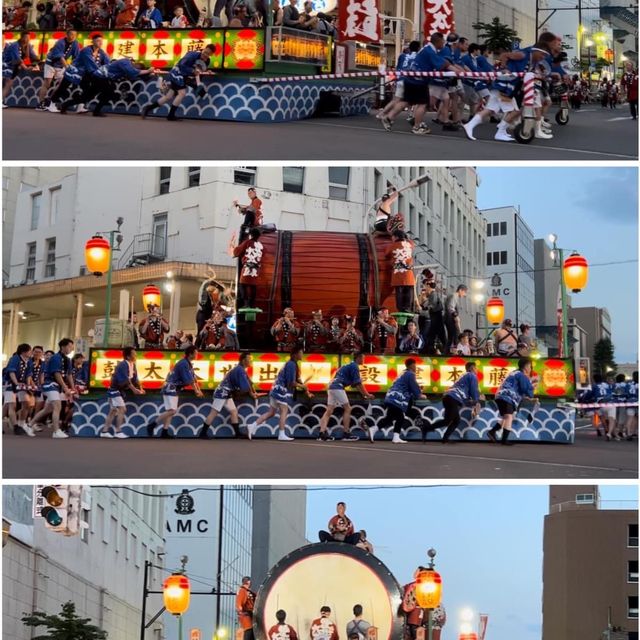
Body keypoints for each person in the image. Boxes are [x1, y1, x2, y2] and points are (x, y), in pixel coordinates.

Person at [248, 347, 310, 441]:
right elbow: (291, 383)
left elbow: (297, 380)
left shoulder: (292, 364)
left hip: (276, 389)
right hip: (280, 391)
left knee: (271, 413)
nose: (302, 354)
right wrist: (303, 387)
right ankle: (281, 434)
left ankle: (252, 425)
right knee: (284, 410)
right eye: (301, 352)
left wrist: (306, 390)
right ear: (295, 354)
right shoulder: (291, 365)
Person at [141, 44, 215, 121]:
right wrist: (192, 71)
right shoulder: (192, 55)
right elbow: (181, 64)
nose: (205, 55)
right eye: (205, 52)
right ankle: (171, 115)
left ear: (211, 55)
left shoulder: (207, 61)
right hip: (177, 73)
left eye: (208, 54)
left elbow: (199, 69)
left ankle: (148, 108)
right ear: (203, 49)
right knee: (182, 93)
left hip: (184, 77)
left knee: (168, 96)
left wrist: (206, 71)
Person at [146, 346, 204, 437]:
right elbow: (189, 380)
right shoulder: (184, 364)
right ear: (190, 354)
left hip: (171, 388)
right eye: (196, 353)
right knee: (172, 411)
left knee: (170, 411)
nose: (197, 355)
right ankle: (152, 425)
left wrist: (198, 390)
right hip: (171, 388)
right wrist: (197, 391)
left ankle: (164, 432)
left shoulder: (187, 363)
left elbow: (193, 378)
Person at [199, 351, 257, 439]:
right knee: (214, 413)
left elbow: (249, 383)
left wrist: (253, 392)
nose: (250, 361)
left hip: (225, 392)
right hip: (222, 393)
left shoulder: (240, 369)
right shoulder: (240, 370)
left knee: (233, 411)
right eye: (249, 359)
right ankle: (202, 433)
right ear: (243, 360)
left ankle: (237, 434)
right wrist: (252, 394)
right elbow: (245, 387)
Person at [317, 352, 373, 442]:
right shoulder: (355, 366)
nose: (364, 360)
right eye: (363, 358)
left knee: (329, 410)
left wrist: (364, 393)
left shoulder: (347, 365)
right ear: (358, 358)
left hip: (331, 386)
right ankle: (346, 433)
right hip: (338, 386)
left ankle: (321, 433)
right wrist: (367, 394)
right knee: (348, 408)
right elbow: (358, 384)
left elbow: (355, 384)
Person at [369, 358, 425, 444]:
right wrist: (420, 395)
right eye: (415, 365)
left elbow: (408, 388)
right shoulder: (410, 374)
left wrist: (418, 392)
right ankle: (393, 436)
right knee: (400, 417)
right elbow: (414, 388)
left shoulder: (403, 373)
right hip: (396, 399)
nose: (416, 367)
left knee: (389, 418)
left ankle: (377, 430)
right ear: (412, 365)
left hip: (391, 396)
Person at [28, 338, 75, 439]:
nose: (72, 348)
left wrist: (73, 388)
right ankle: (56, 431)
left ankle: (29, 425)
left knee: (47, 409)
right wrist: (66, 388)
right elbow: (56, 374)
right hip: (50, 384)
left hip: (56, 386)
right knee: (57, 406)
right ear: (63, 346)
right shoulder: (56, 358)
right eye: (70, 346)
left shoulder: (68, 359)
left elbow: (69, 374)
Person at [423, 361, 481, 443]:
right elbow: (474, 391)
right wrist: (476, 400)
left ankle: (444, 438)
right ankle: (426, 429)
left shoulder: (463, 376)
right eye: (476, 368)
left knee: (455, 420)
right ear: (472, 368)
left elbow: (465, 399)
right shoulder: (472, 376)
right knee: (448, 420)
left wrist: (472, 403)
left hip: (448, 397)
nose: (477, 370)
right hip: (452, 398)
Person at [487, 357, 538, 446]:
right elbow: (525, 389)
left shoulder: (515, 373)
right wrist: (532, 388)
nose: (531, 368)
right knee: (509, 417)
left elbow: (522, 390)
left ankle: (492, 431)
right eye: (530, 366)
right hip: (507, 397)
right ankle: (504, 440)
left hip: (501, 396)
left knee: (509, 416)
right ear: (526, 366)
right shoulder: (521, 375)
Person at [100, 346, 145, 438]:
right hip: (114, 390)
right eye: (134, 353)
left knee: (113, 410)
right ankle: (118, 431)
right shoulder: (123, 365)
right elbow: (125, 379)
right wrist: (134, 389)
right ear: (128, 356)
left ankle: (104, 432)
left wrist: (140, 388)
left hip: (118, 391)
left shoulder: (132, 364)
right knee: (122, 409)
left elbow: (136, 379)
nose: (136, 355)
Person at [36, 29, 80, 110]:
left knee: (62, 83)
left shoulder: (75, 43)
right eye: (71, 34)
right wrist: (68, 68)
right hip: (51, 64)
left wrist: (76, 67)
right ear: (66, 34)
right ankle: (40, 103)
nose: (73, 36)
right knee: (47, 83)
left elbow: (76, 57)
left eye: (74, 34)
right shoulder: (60, 42)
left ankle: (50, 101)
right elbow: (61, 57)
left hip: (60, 66)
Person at [3, 343, 35, 436]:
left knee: (26, 403)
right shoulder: (15, 359)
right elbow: (11, 372)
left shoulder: (29, 361)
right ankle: (16, 426)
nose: (31, 353)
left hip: (22, 385)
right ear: (24, 352)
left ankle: (22, 422)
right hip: (10, 384)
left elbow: (29, 374)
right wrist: (16, 383)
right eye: (30, 351)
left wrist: (28, 385)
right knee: (12, 405)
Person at [3, 32, 40, 108]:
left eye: (29, 38)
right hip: (7, 65)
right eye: (26, 38)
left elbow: (33, 56)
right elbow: (18, 59)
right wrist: (26, 68)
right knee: (8, 84)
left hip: (14, 66)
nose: (27, 40)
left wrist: (38, 62)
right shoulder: (14, 45)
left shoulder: (28, 46)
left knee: (8, 84)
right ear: (21, 37)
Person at [385, 230, 416, 313]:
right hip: (409, 274)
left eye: (393, 236)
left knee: (399, 293)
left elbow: (386, 254)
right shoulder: (410, 244)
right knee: (409, 293)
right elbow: (412, 243)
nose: (391, 238)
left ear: (396, 237)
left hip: (398, 273)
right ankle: (407, 309)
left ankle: (400, 309)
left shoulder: (392, 246)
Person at [233, 228, 264, 309]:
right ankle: (252, 304)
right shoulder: (260, 245)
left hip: (248, 267)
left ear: (251, 235)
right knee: (253, 286)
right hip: (256, 269)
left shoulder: (248, 242)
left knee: (242, 285)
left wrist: (235, 251)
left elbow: (237, 251)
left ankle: (246, 303)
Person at [422, 282, 447, 354]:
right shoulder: (432, 295)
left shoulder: (433, 294)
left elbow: (431, 306)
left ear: (428, 286)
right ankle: (433, 349)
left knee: (436, 334)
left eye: (426, 286)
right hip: (436, 317)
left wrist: (424, 308)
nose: (425, 288)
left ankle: (442, 349)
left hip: (436, 317)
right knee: (435, 334)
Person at [401, 569, 426, 640]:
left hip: (417, 610)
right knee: (411, 627)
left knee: (414, 627)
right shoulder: (412, 585)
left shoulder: (421, 586)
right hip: (410, 610)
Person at [444, 285, 467, 353]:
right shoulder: (454, 296)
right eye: (464, 292)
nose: (464, 295)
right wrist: (456, 316)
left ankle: (448, 352)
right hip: (450, 318)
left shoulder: (454, 296)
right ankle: (451, 352)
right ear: (460, 290)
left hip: (448, 318)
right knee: (455, 335)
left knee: (451, 336)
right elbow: (450, 307)